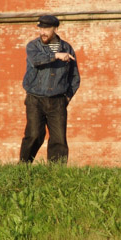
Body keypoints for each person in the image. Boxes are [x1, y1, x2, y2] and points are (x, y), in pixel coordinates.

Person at [19, 15, 80, 163]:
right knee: (34, 135)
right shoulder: (33, 46)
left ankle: (56, 172)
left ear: (55, 29)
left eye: (46, 29)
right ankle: (23, 166)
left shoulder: (67, 48)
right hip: (35, 99)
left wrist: (67, 97)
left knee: (59, 139)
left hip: (58, 100)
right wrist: (56, 56)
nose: (43, 32)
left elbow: (75, 77)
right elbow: (36, 60)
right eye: (40, 29)